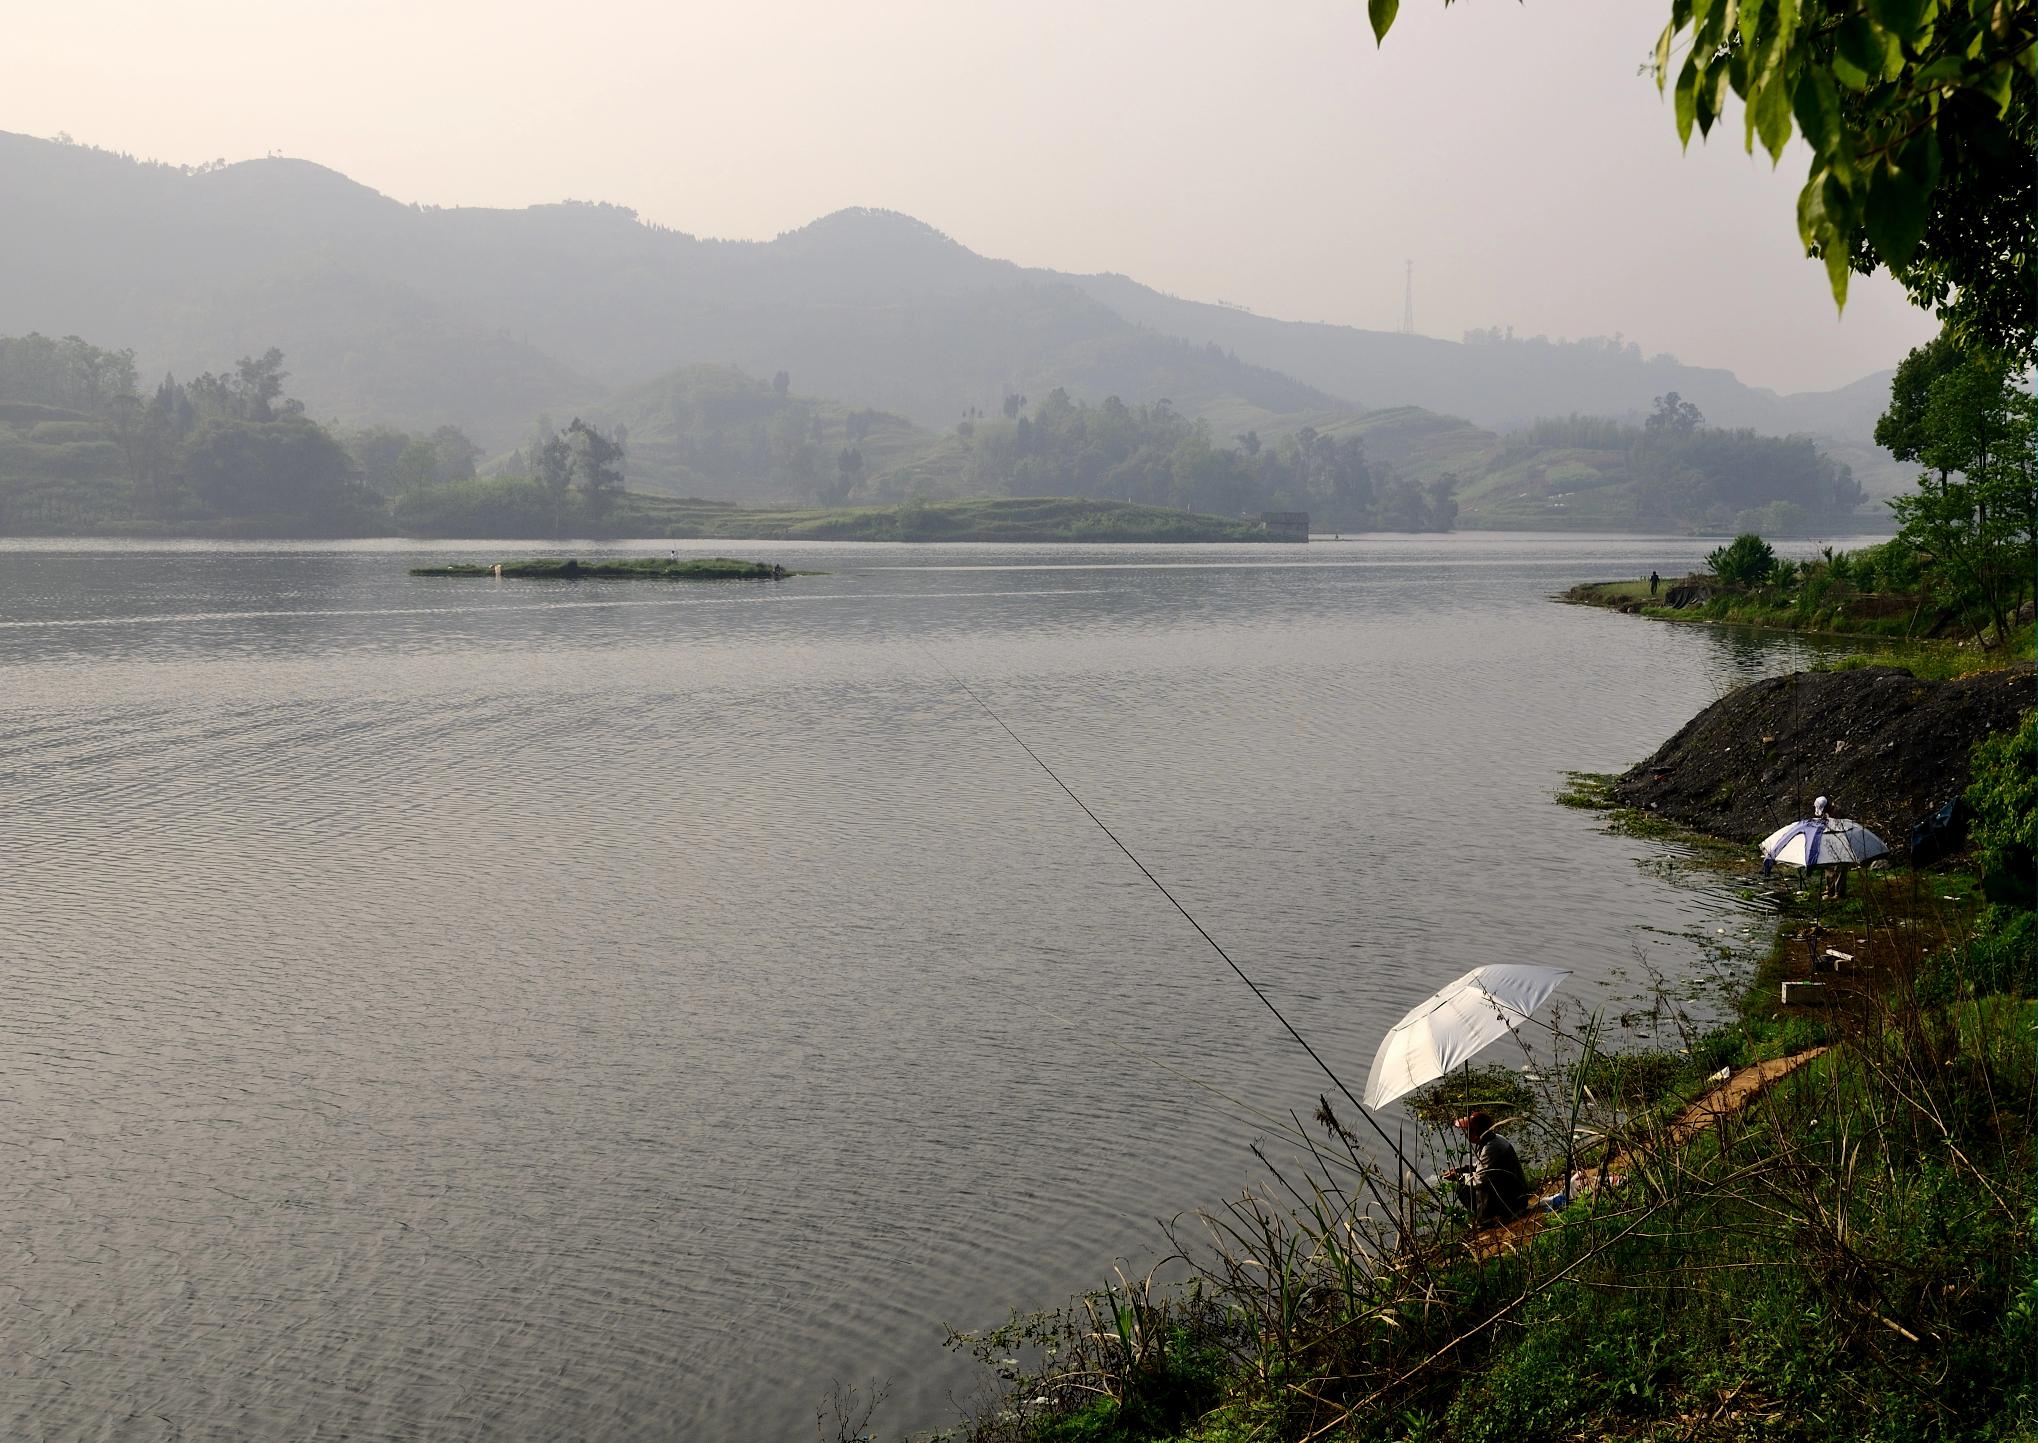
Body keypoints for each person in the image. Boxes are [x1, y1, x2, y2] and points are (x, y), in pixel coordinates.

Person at [1442, 1112, 1530, 1226]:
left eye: (1469, 1131)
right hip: (1514, 1191)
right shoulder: (1494, 1139)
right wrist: (1461, 1170)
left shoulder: (1491, 1148)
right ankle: (1485, 1216)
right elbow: (1481, 1166)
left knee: (1463, 1187)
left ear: (1476, 1131)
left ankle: (1486, 1220)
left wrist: (1458, 1177)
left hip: (1514, 1200)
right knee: (1466, 1183)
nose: (1467, 1134)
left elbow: (1479, 1179)